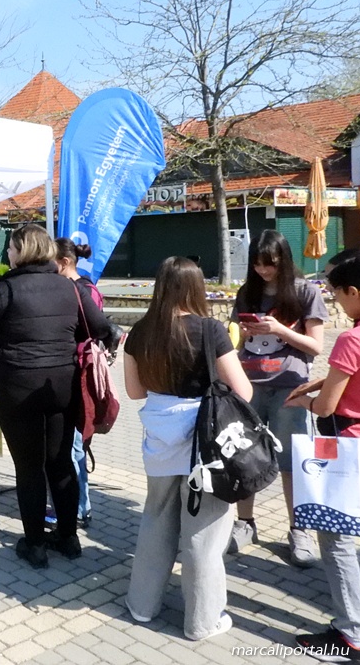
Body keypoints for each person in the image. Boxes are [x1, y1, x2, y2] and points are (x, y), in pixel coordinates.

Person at [123, 256, 252, 641]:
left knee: (155, 520)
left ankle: (142, 605)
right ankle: (202, 621)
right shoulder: (211, 330)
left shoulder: (141, 331)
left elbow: (134, 391)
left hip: (159, 440)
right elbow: (243, 391)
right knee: (204, 533)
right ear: (196, 288)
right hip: (205, 443)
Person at [0, 225, 110, 568]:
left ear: (23, 250)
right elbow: (101, 327)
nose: (7, 253)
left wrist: (7, 352)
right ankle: (69, 538)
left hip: (18, 387)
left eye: (11, 248)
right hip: (61, 385)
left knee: (29, 467)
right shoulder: (70, 287)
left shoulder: (5, 290)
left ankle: (34, 544)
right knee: (60, 462)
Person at [228, 230, 327, 566]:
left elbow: (316, 346)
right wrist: (242, 334)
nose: (262, 270)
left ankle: (300, 530)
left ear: (283, 260)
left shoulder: (305, 291)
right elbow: (235, 342)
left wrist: (280, 330)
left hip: (289, 389)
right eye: (256, 264)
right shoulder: (247, 292)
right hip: (249, 386)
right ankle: (245, 522)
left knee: (291, 463)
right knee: (245, 456)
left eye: (268, 264)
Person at [287, 254, 360, 660]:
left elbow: (327, 406)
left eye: (338, 295)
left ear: (355, 292)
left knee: (336, 541)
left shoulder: (353, 339)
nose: (337, 303)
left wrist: (305, 401)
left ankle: (352, 634)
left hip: (350, 446)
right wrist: (325, 380)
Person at [55, 237, 106, 528]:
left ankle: (77, 507)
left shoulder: (79, 291)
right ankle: (79, 506)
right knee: (76, 445)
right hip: (77, 372)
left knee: (74, 446)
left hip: (77, 373)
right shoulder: (85, 288)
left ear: (64, 263)